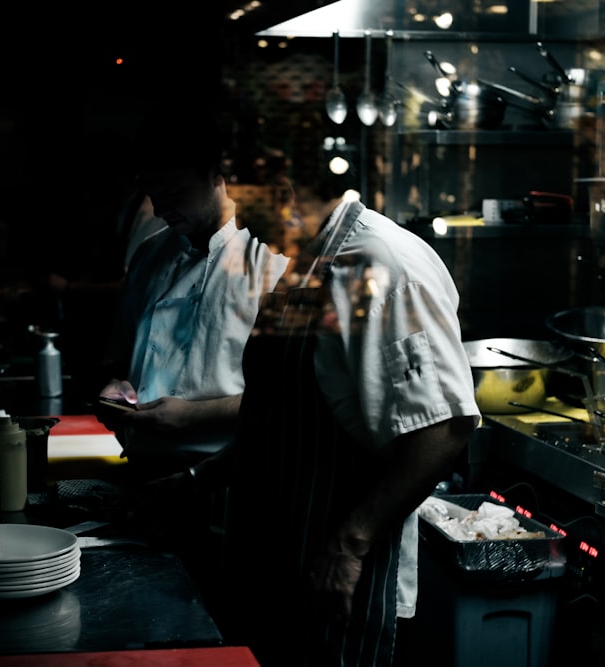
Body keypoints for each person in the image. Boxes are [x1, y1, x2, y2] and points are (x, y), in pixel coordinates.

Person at [127, 163, 482, 667]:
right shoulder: (301, 264)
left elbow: (443, 428)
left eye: (248, 207)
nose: (242, 226)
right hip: (271, 559)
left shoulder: (384, 264)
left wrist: (351, 545)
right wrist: (196, 480)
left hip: (332, 571)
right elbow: (282, 418)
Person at [94, 105, 289, 508]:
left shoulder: (272, 262)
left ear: (219, 175)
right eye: (153, 194)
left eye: (175, 193)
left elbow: (293, 398)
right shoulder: (150, 255)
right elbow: (118, 358)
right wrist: (116, 390)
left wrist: (192, 416)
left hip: (231, 484)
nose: (162, 209)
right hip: (144, 478)